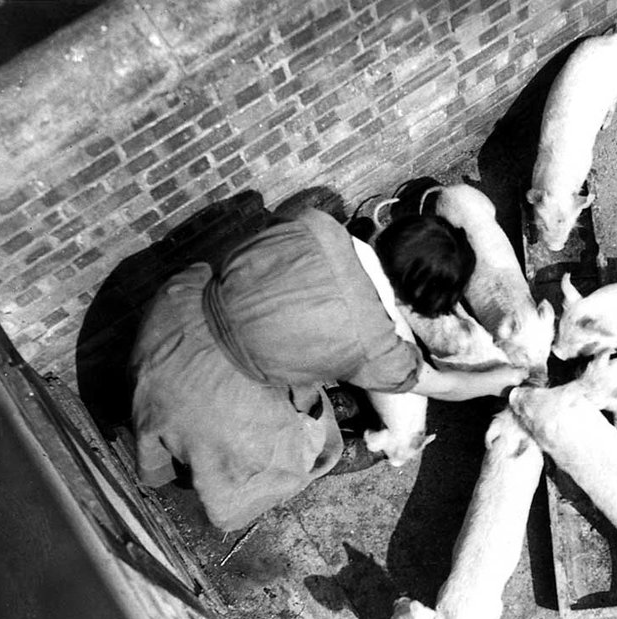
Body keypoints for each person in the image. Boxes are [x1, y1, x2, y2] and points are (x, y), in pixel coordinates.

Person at [130, 206, 527, 532]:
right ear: (420, 301)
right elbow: (441, 385)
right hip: (209, 395)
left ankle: (173, 450)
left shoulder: (316, 224)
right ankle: (230, 462)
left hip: (173, 313)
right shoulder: (377, 345)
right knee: (290, 455)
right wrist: (501, 379)